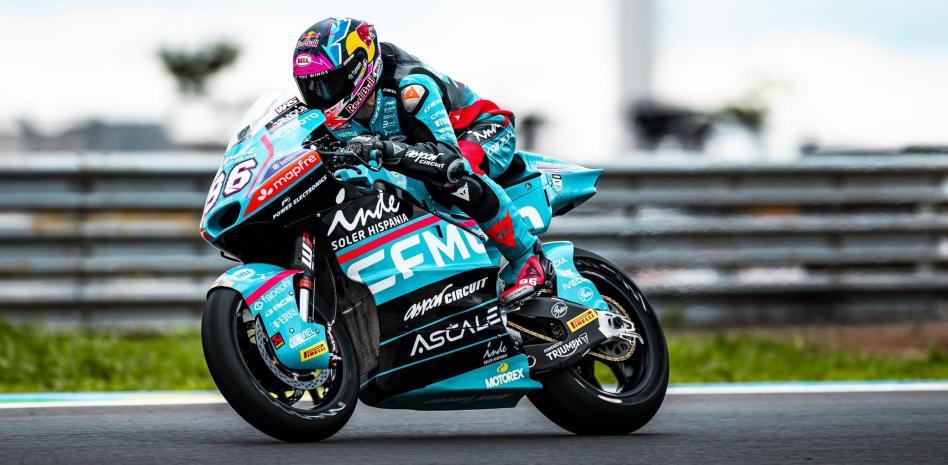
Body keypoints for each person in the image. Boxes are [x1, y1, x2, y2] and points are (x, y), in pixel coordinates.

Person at [292, 17, 548, 306]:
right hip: (421, 148)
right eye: (310, 87)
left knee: (454, 175)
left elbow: (447, 158)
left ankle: (528, 259)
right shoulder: (327, 116)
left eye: (328, 84)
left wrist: (387, 149)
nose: (319, 96)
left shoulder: (411, 87)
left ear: (358, 68)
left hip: (482, 129)